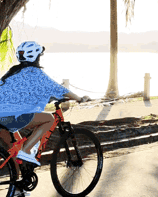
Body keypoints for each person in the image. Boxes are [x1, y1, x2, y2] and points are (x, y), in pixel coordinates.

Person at [0, 41, 90, 171]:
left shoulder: (12, 73)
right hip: (13, 118)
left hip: (1, 118)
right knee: (49, 118)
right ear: (36, 57)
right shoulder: (37, 74)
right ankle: (26, 151)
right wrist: (80, 98)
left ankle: (18, 187)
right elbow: (60, 89)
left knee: (14, 152)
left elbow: (20, 95)